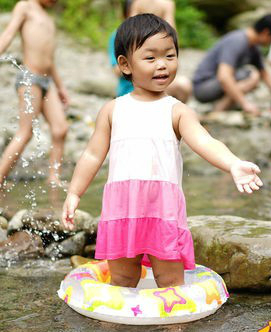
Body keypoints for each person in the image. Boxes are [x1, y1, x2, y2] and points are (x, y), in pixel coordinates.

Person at [62, 14, 263, 288]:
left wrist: (232, 164)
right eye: (150, 58)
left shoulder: (177, 110)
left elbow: (204, 141)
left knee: (170, 280)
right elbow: (92, 155)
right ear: (125, 64)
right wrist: (74, 192)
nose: (162, 65)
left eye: (170, 56)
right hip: (122, 207)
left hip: (163, 208)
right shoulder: (113, 109)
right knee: (121, 278)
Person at [0, 0, 69, 191]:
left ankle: (53, 178)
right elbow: (9, 32)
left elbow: (50, 59)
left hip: (48, 81)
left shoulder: (48, 18)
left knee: (60, 128)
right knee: (26, 132)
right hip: (30, 78)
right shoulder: (26, 6)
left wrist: (61, 86)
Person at [108, 0, 192, 103]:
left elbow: (171, 43)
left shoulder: (160, 38)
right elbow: (117, 70)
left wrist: (168, 12)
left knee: (183, 84)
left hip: (160, 88)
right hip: (131, 89)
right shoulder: (119, 36)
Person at [193, 14, 271, 115]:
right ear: (266, 33)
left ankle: (220, 109)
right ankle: (218, 111)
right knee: (252, 75)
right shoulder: (238, 41)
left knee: (252, 74)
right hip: (203, 88)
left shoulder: (253, 47)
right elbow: (224, 77)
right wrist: (245, 104)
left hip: (215, 85)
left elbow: (264, 74)